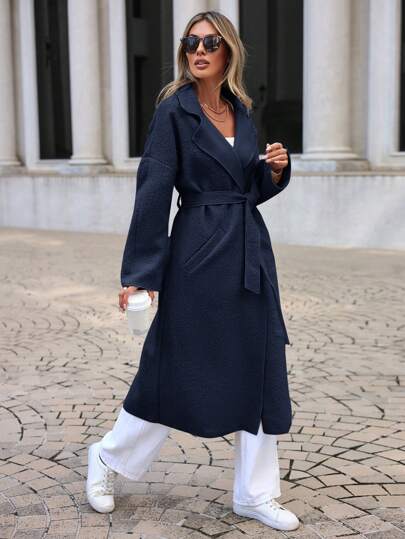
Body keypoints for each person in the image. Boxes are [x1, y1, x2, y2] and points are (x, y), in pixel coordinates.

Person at [86, 10, 299, 532]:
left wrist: (274, 172)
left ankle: (255, 493)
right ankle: (107, 458)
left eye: (210, 42)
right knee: (173, 364)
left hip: (248, 253)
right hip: (198, 255)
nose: (198, 51)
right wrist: (141, 273)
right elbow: (154, 190)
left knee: (259, 362)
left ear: (229, 52)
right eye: (190, 42)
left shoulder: (240, 111)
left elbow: (244, 189)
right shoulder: (173, 112)